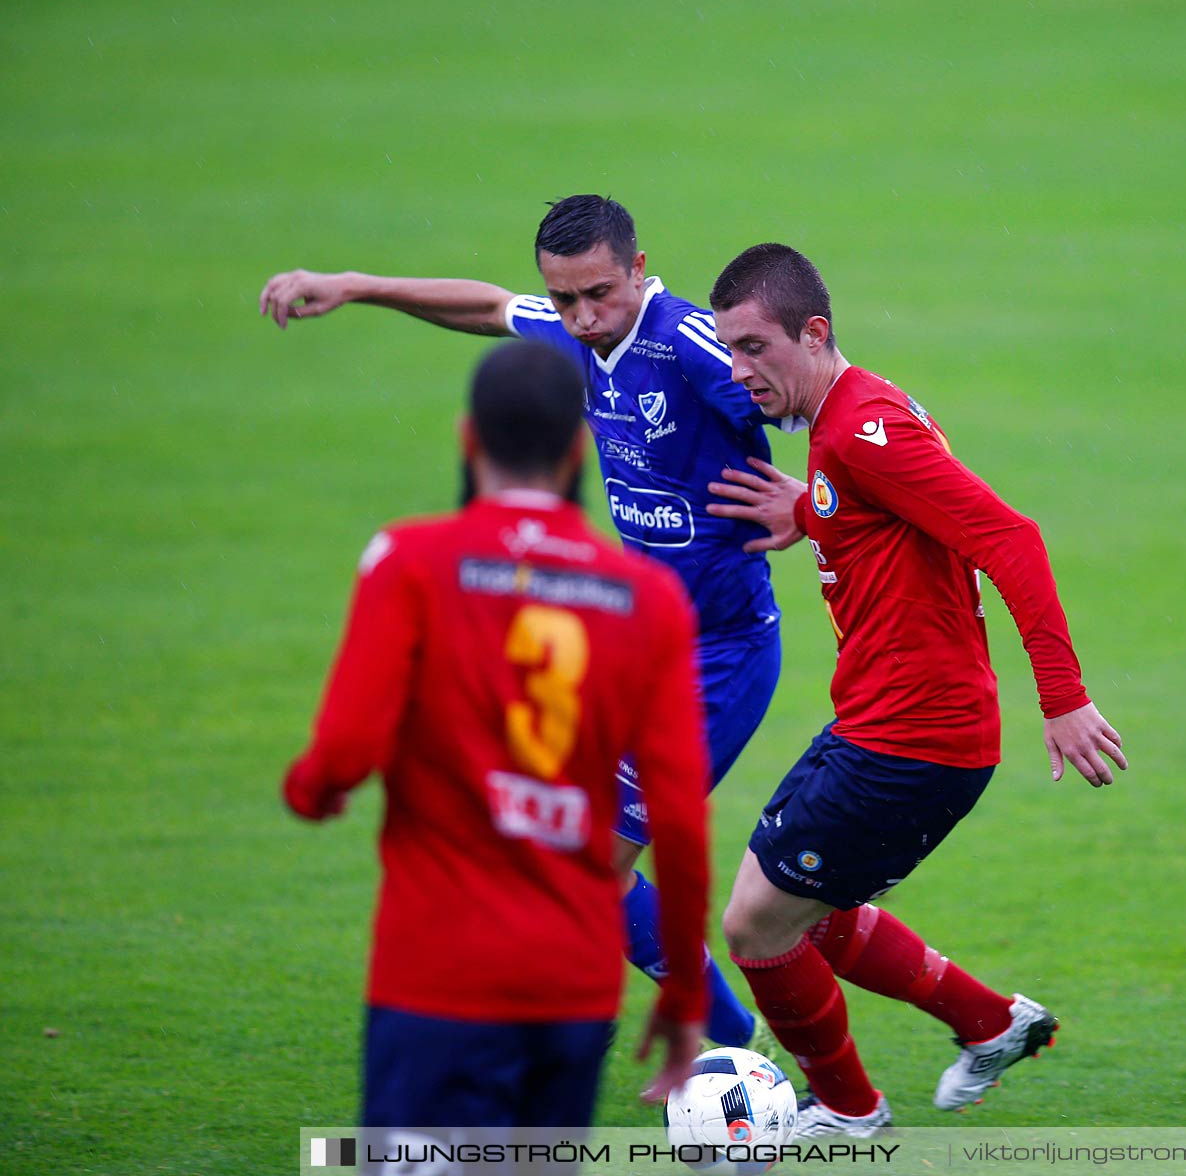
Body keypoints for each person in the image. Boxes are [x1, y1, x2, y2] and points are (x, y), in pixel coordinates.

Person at [261, 196, 775, 1052]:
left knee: (586, 865)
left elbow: (823, 400)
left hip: (717, 657)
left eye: (599, 294)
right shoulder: (576, 332)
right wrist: (354, 285)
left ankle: (725, 1045)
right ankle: (730, 1044)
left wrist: (814, 504)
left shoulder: (689, 342)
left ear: (641, 269)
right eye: (565, 298)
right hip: (628, 649)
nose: (580, 316)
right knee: (572, 851)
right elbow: (492, 307)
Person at [702, 244, 1128, 1136]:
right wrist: (810, 511)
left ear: (813, 334)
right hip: (884, 723)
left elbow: (1012, 538)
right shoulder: (848, 420)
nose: (740, 373)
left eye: (754, 349)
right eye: (729, 351)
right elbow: (885, 519)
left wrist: (1063, 696)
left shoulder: (862, 433)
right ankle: (990, 1023)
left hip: (913, 741)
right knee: (802, 907)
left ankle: (851, 1113)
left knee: (754, 924)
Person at [284, 340, 711, 1134]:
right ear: (579, 448)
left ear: (468, 440)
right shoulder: (647, 600)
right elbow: (679, 818)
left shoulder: (409, 560)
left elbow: (344, 752)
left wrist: (310, 792)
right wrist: (684, 989)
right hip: (572, 984)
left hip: (436, 972)